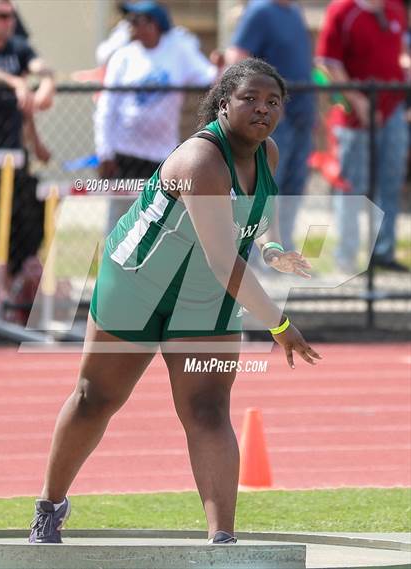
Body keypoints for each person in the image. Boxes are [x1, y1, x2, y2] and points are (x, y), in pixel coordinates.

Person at [29, 58, 321, 546]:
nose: (263, 109)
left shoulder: (267, 154)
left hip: (204, 292)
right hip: (137, 285)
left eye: (273, 102)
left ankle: (221, 540)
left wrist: (273, 250)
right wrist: (279, 323)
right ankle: (49, 505)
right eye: (250, 98)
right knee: (94, 398)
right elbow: (223, 261)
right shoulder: (200, 160)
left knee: (208, 409)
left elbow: (254, 223)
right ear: (224, 103)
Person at [94, 0, 218, 231]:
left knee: (159, 219)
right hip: (125, 153)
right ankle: (112, 266)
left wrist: (220, 66)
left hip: (162, 156)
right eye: (128, 20)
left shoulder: (178, 52)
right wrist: (105, 152)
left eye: (136, 20)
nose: (129, 26)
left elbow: (208, 78)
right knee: (121, 219)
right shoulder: (123, 57)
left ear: (155, 25)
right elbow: (106, 108)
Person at [316, 0, 409, 272]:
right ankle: (347, 258)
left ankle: (383, 252)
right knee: (351, 188)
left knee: (390, 182)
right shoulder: (341, 11)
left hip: (393, 111)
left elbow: (399, 51)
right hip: (354, 118)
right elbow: (326, 64)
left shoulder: (395, 9)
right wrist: (357, 101)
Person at [225, 0, 315, 251]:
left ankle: (283, 248)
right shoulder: (260, 10)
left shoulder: (296, 12)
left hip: (302, 117)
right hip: (275, 120)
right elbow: (238, 58)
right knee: (264, 187)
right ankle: (254, 254)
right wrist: (267, 103)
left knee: (293, 186)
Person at [0, 0, 55, 290]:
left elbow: (41, 70)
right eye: (1, 16)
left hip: (12, 158)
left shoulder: (18, 49)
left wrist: (46, 83)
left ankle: (10, 286)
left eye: (11, 16)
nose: (9, 22)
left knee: (22, 218)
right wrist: (15, 83)